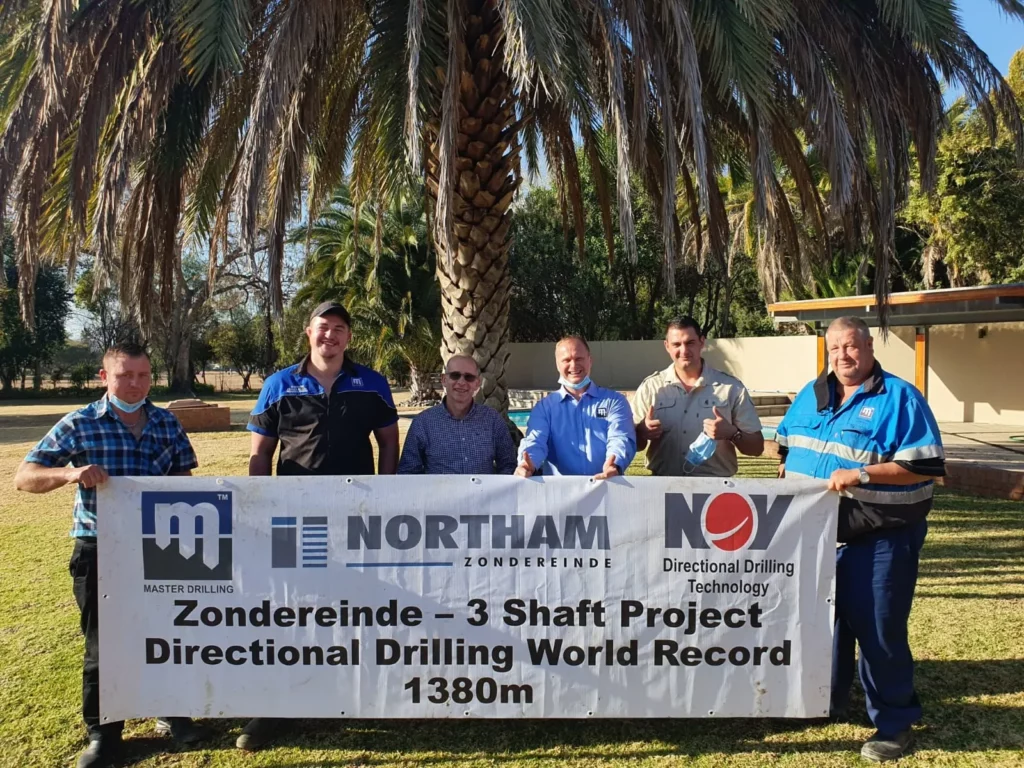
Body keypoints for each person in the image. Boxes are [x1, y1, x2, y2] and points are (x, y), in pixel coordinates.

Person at [13, 342, 206, 768]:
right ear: (105, 377)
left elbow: (183, 481)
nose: (135, 384)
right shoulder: (80, 424)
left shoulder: (167, 423)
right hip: (100, 548)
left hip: (162, 550)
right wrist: (69, 473)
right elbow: (24, 477)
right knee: (105, 646)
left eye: (142, 375)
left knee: (170, 635)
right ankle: (104, 734)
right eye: (124, 375)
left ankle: (173, 712)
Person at [775, 316, 945, 763]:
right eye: (835, 349)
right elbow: (786, 445)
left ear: (869, 348)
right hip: (817, 537)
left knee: (878, 630)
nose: (843, 356)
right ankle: (824, 703)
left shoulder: (900, 398)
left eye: (851, 347)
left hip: (882, 536)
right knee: (823, 627)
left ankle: (893, 723)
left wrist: (863, 473)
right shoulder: (811, 396)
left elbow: (926, 465)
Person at [239, 301, 399, 750]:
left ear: (349, 337)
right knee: (289, 607)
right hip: (295, 516)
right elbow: (259, 455)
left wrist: (387, 495)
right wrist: (263, 505)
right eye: (323, 328)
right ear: (309, 333)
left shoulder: (372, 383)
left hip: (357, 514)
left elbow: (389, 442)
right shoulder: (278, 385)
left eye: (340, 329)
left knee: (355, 604)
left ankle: (354, 691)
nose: (331, 336)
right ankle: (272, 707)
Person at [631, 316, 764, 476]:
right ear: (667, 346)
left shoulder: (731, 388)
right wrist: (641, 431)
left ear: (702, 342)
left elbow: (757, 448)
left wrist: (732, 433)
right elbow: (632, 444)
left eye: (690, 343)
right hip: (664, 489)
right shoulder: (651, 387)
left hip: (714, 490)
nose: (684, 351)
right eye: (676, 344)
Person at [515, 336, 635, 478]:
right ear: (557, 365)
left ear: (590, 360)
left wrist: (614, 464)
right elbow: (535, 441)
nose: (573, 365)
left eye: (579, 359)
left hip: (606, 486)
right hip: (560, 494)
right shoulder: (544, 408)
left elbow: (620, 437)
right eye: (566, 360)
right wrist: (527, 463)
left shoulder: (615, 401)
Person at [398, 355, 517, 475]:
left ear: (477, 383)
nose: (461, 382)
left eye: (469, 377)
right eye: (455, 375)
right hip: (439, 493)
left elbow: (508, 465)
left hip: (483, 493)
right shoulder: (423, 423)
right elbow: (408, 472)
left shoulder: (492, 420)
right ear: (444, 380)